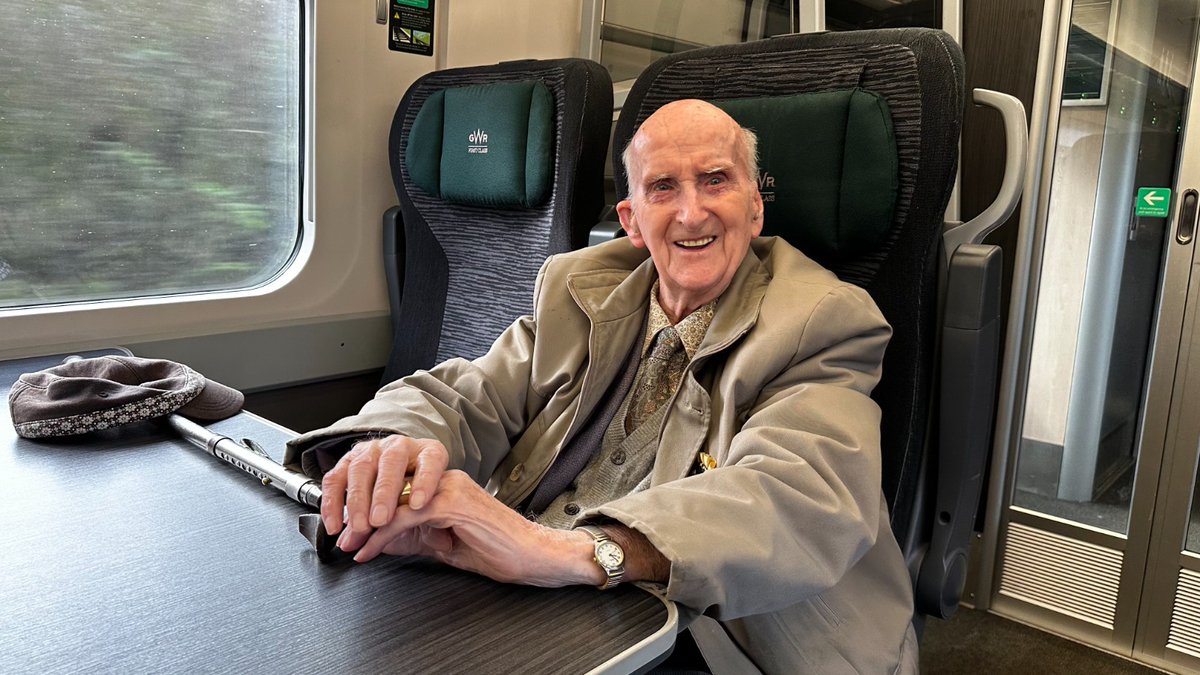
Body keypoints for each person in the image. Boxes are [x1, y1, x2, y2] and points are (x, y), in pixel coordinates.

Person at [285, 99, 918, 673]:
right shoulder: (579, 289)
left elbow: (798, 495)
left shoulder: (823, 319)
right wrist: (392, 445)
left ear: (755, 207)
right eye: (663, 187)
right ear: (632, 221)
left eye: (715, 181)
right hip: (539, 594)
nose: (691, 212)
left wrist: (567, 552)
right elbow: (467, 392)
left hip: (724, 632)